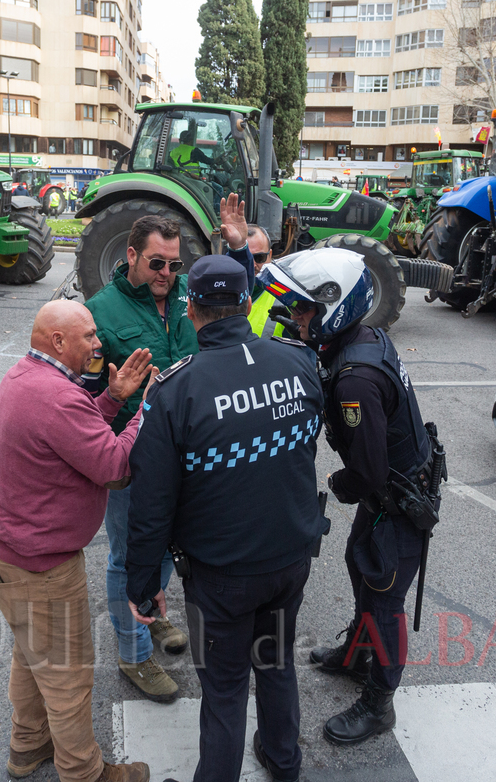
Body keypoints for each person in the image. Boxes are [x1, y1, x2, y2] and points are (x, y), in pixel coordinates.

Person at [125, 253, 327, 782]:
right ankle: (285, 763)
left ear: (191, 308)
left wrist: (143, 585)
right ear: (247, 304)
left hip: (221, 578)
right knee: (276, 662)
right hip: (290, 558)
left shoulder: (175, 391)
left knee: (224, 688)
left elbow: (150, 506)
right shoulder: (298, 362)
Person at [259, 248, 436, 746]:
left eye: (304, 310)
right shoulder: (359, 337)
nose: (295, 318)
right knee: (362, 570)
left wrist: (339, 486)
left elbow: (369, 467)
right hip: (389, 493)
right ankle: (357, 654)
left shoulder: (354, 378)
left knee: (385, 597)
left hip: (397, 498)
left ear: (334, 306)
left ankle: (379, 703)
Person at [83, 194, 255, 703]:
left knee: (168, 547)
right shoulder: (99, 312)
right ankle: (133, 654)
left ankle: (150, 612)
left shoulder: (187, 297)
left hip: (189, 458)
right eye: (156, 263)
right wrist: (114, 396)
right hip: (134, 461)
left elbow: (240, 305)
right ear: (130, 255)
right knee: (128, 555)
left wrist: (241, 248)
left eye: (174, 264)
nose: (166, 273)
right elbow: (83, 399)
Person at [0, 299, 155, 782]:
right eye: (89, 336)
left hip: (6, 557)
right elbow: (115, 466)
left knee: (31, 656)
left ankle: (27, 747)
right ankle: (85, 773)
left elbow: (70, 433)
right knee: (68, 676)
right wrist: (147, 409)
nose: (99, 343)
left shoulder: (27, 377)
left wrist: (113, 398)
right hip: (42, 568)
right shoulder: (59, 396)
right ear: (58, 342)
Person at [244, 226, 285, 339]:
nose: (252, 265)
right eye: (245, 258)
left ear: (270, 255)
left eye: (260, 257)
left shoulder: (285, 295)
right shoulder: (220, 294)